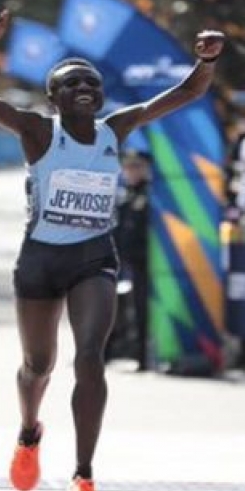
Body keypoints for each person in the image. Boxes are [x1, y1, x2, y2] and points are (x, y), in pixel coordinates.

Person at [0, 6, 224, 491]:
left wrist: (207, 61)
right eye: (72, 82)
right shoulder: (39, 132)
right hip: (41, 261)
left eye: (91, 82)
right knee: (37, 366)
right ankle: (29, 432)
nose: (84, 87)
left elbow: (186, 93)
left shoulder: (116, 129)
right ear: (54, 98)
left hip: (93, 258)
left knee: (90, 358)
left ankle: (83, 477)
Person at [107, 149, 153, 371]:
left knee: (141, 310)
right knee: (110, 308)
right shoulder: (124, 195)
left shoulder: (151, 195)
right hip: (121, 261)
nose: (131, 171)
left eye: (136, 167)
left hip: (144, 263)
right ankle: (107, 353)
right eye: (127, 167)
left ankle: (143, 357)